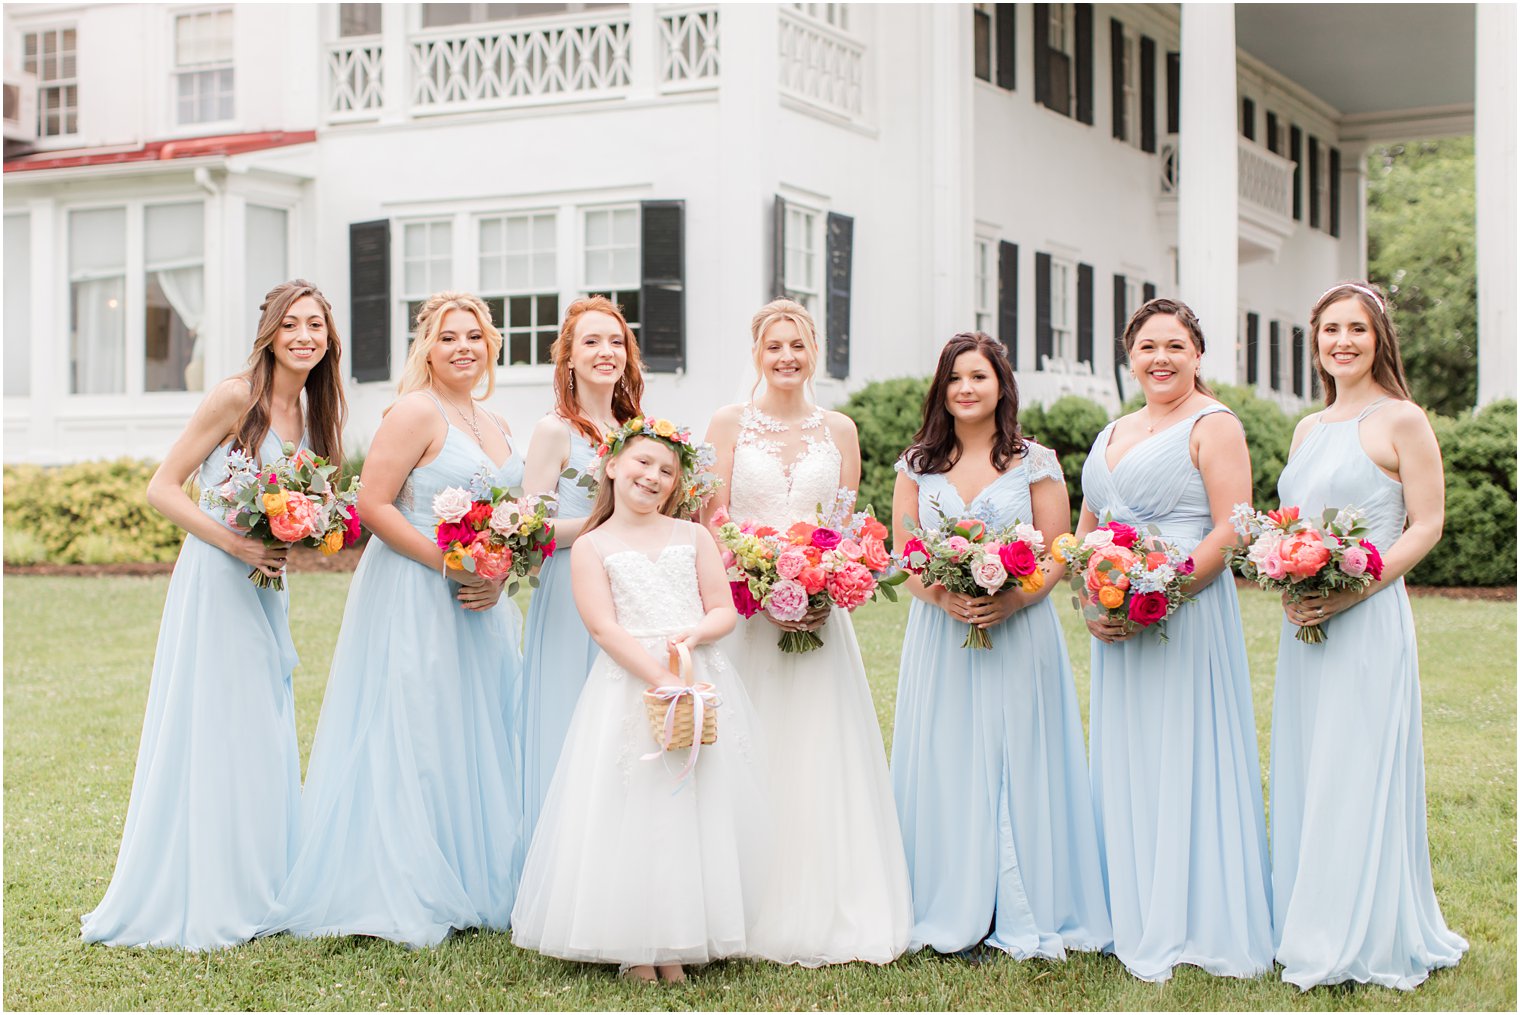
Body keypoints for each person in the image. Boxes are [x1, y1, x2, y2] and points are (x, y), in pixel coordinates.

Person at [81, 279, 347, 950]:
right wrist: (234, 540)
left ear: (329, 339)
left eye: (315, 325)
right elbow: (162, 486)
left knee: (262, 721)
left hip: (265, 584)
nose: (304, 337)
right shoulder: (238, 396)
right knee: (219, 720)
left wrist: (301, 530)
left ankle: (260, 879)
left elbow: (307, 500)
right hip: (216, 577)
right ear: (269, 333)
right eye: (292, 325)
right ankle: (209, 888)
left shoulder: (314, 413)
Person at [259, 292, 522, 947]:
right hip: (416, 585)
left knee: (474, 722)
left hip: (478, 594)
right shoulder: (415, 410)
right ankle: (405, 876)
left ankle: (469, 870)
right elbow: (374, 505)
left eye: (473, 336)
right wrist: (448, 563)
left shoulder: (496, 422)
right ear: (426, 348)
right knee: (417, 725)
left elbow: (514, 519)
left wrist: (499, 571)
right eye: (447, 336)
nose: (462, 346)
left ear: (490, 344)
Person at [511, 419, 769, 983]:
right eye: (642, 463)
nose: (652, 477)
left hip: (695, 673)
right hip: (633, 685)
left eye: (666, 471)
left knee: (690, 806)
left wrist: (696, 639)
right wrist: (660, 678)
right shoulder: (591, 545)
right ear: (611, 465)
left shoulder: (693, 536)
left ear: (677, 485)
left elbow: (723, 608)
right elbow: (603, 628)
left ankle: (678, 937)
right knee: (635, 805)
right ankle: (634, 944)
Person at [1269, 281, 1468, 990]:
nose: (1342, 341)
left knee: (1356, 767)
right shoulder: (1308, 427)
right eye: (1330, 330)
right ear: (1316, 340)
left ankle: (1358, 932)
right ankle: (1307, 916)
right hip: (1306, 622)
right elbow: (1291, 521)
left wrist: (1354, 587)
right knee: (1309, 763)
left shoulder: (1403, 419)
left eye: (1357, 328)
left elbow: (1426, 524)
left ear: (1380, 337)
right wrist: (1288, 570)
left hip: (1369, 613)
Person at [702, 298, 911, 966]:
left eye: (798, 345)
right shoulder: (728, 423)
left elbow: (846, 525)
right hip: (749, 613)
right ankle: (739, 902)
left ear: (813, 350)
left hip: (819, 618)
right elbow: (712, 517)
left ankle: (822, 899)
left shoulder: (840, 430)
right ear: (757, 353)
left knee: (819, 750)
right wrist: (759, 578)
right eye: (774, 346)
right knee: (748, 747)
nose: (787, 357)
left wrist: (828, 580)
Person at [890, 333, 1111, 960]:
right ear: (942, 387)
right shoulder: (917, 465)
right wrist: (943, 598)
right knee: (948, 752)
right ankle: (948, 895)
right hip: (941, 632)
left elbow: (1057, 550)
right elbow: (907, 555)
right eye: (956, 377)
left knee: (1020, 754)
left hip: (1020, 629)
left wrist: (1010, 599)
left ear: (1001, 385)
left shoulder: (1035, 461)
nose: (966, 388)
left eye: (979, 377)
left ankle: (1023, 899)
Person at [1078, 298, 1273, 981]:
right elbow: (1088, 525)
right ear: (1129, 355)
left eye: (1175, 345)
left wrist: (1163, 592)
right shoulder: (1114, 428)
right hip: (1115, 610)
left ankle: (1194, 913)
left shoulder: (1214, 424)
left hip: (1184, 610)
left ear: (1197, 355)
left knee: (1184, 746)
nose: (1160, 358)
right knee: (1130, 749)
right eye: (1147, 346)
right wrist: (1089, 595)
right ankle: (1129, 901)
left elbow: (1233, 525)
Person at [516, 296, 644, 868]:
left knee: (623, 717)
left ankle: (620, 856)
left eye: (615, 342)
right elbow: (532, 530)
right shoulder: (554, 431)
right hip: (572, 588)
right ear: (567, 358)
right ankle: (565, 864)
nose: (605, 352)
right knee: (574, 716)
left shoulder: (637, 429)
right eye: (590, 342)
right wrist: (605, 522)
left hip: (634, 588)